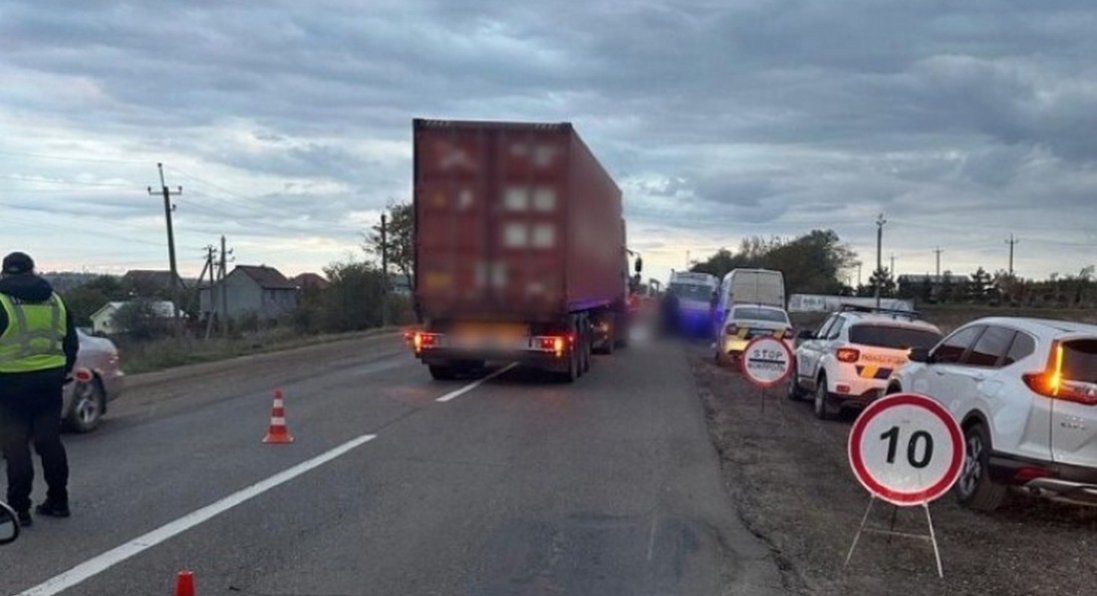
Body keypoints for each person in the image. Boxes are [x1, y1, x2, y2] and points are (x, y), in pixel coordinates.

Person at [0, 252, 78, 526]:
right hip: (49, 382)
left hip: (8, 385)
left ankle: (18, 509)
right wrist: (62, 371)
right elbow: (71, 342)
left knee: (16, 446)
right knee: (49, 441)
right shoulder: (56, 300)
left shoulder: (1, 301)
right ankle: (59, 501)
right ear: (33, 271)